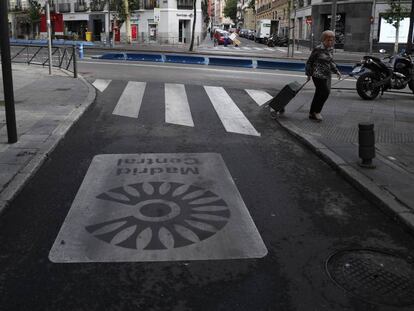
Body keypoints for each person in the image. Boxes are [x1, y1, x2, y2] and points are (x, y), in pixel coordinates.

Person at [305, 30, 342, 122]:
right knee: (325, 93)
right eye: (328, 40)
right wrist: (308, 74)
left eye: (332, 40)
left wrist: (337, 71)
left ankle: (311, 113)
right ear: (323, 39)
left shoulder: (330, 49)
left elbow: (330, 62)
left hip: (326, 75)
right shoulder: (318, 49)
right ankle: (317, 112)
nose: (330, 42)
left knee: (318, 93)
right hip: (317, 74)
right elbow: (310, 61)